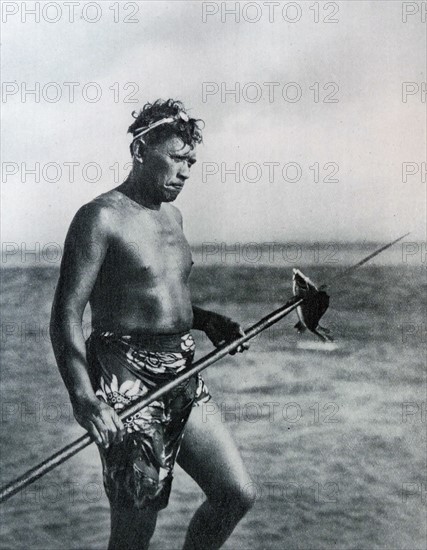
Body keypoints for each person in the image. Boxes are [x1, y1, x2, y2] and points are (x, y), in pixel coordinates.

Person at [50, 99, 256, 550]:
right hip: (126, 379)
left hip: (182, 369)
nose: (185, 172)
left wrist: (205, 320)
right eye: (176, 159)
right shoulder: (99, 217)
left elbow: (156, 292)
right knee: (134, 532)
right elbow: (67, 313)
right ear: (141, 150)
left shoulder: (173, 216)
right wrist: (83, 398)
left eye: (191, 162)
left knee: (234, 493)